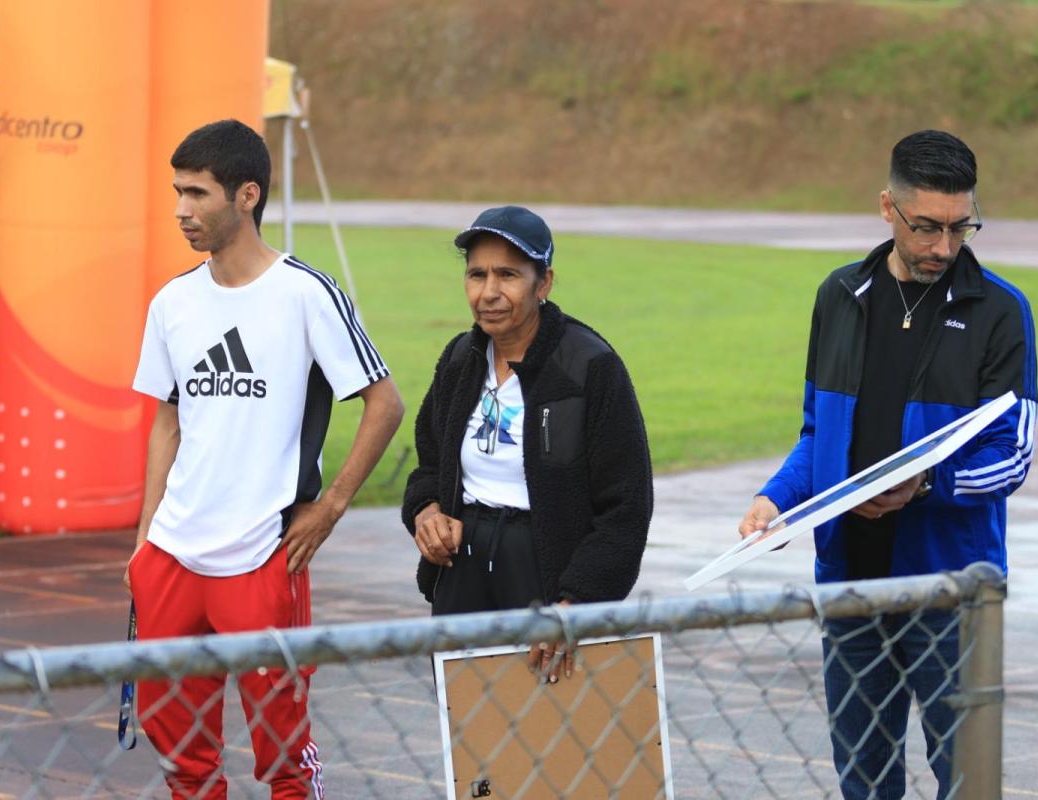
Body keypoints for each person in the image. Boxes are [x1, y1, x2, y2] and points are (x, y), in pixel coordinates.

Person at [737, 130, 1037, 799]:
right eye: (926, 227)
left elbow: (1012, 456)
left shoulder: (1002, 313)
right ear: (887, 207)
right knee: (864, 783)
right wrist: (778, 497)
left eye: (962, 227)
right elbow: (820, 434)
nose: (944, 248)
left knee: (965, 778)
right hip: (850, 583)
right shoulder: (839, 295)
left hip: (950, 592)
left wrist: (926, 483)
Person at [127, 119, 404, 799]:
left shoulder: (305, 294)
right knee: (180, 756)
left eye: (196, 193)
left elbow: (385, 403)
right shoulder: (172, 302)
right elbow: (168, 418)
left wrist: (331, 507)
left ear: (246, 195)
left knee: (281, 755)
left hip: (259, 554)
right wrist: (144, 540)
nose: (180, 211)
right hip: (172, 555)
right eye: (176, 192)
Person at [402, 205, 652, 679]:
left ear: (544, 283)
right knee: (467, 731)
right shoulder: (460, 359)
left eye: (508, 274)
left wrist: (575, 603)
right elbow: (429, 466)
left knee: (547, 736)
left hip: (545, 576)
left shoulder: (588, 367)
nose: (489, 292)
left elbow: (627, 506)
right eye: (477, 274)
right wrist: (427, 512)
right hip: (464, 570)